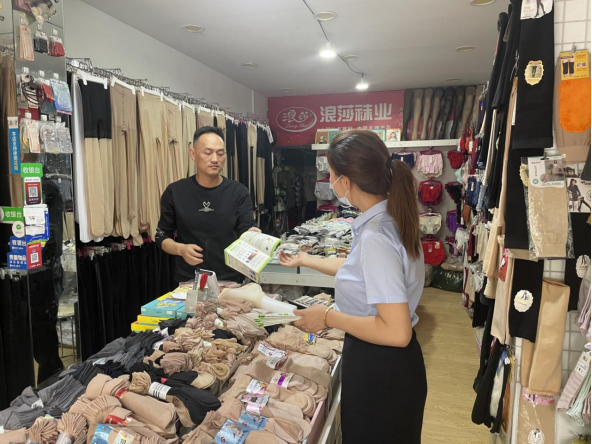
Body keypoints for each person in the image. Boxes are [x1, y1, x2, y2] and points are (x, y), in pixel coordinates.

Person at [279, 130, 427, 443]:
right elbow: (358, 270)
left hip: (381, 366)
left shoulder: (376, 237)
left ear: (345, 182)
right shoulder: (388, 219)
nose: (330, 182)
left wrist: (327, 317)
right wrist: (305, 259)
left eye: (331, 175)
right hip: (387, 363)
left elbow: (396, 332)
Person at [156, 126, 260, 284]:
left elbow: (246, 227)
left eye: (220, 153)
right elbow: (161, 235)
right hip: (190, 281)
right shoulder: (175, 191)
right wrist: (181, 249)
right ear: (193, 154)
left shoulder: (238, 192)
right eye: (207, 152)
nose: (215, 159)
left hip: (231, 281)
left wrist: (252, 234)